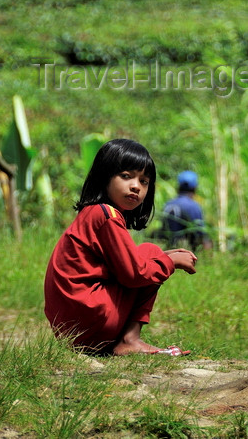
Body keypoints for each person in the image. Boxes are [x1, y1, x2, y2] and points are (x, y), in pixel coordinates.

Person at [44, 139, 198, 356]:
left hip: (72, 328)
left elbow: (126, 262)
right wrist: (169, 262)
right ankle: (130, 339)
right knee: (151, 253)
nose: (136, 186)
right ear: (104, 177)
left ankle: (124, 340)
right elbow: (133, 274)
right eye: (126, 176)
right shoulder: (106, 215)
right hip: (89, 321)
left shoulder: (94, 213)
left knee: (150, 253)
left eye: (144, 181)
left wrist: (165, 256)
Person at [162, 170, 213, 251]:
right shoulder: (193, 206)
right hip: (185, 251)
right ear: (195, 188)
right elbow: (200, 233)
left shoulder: (168, 204)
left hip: (169, 249)